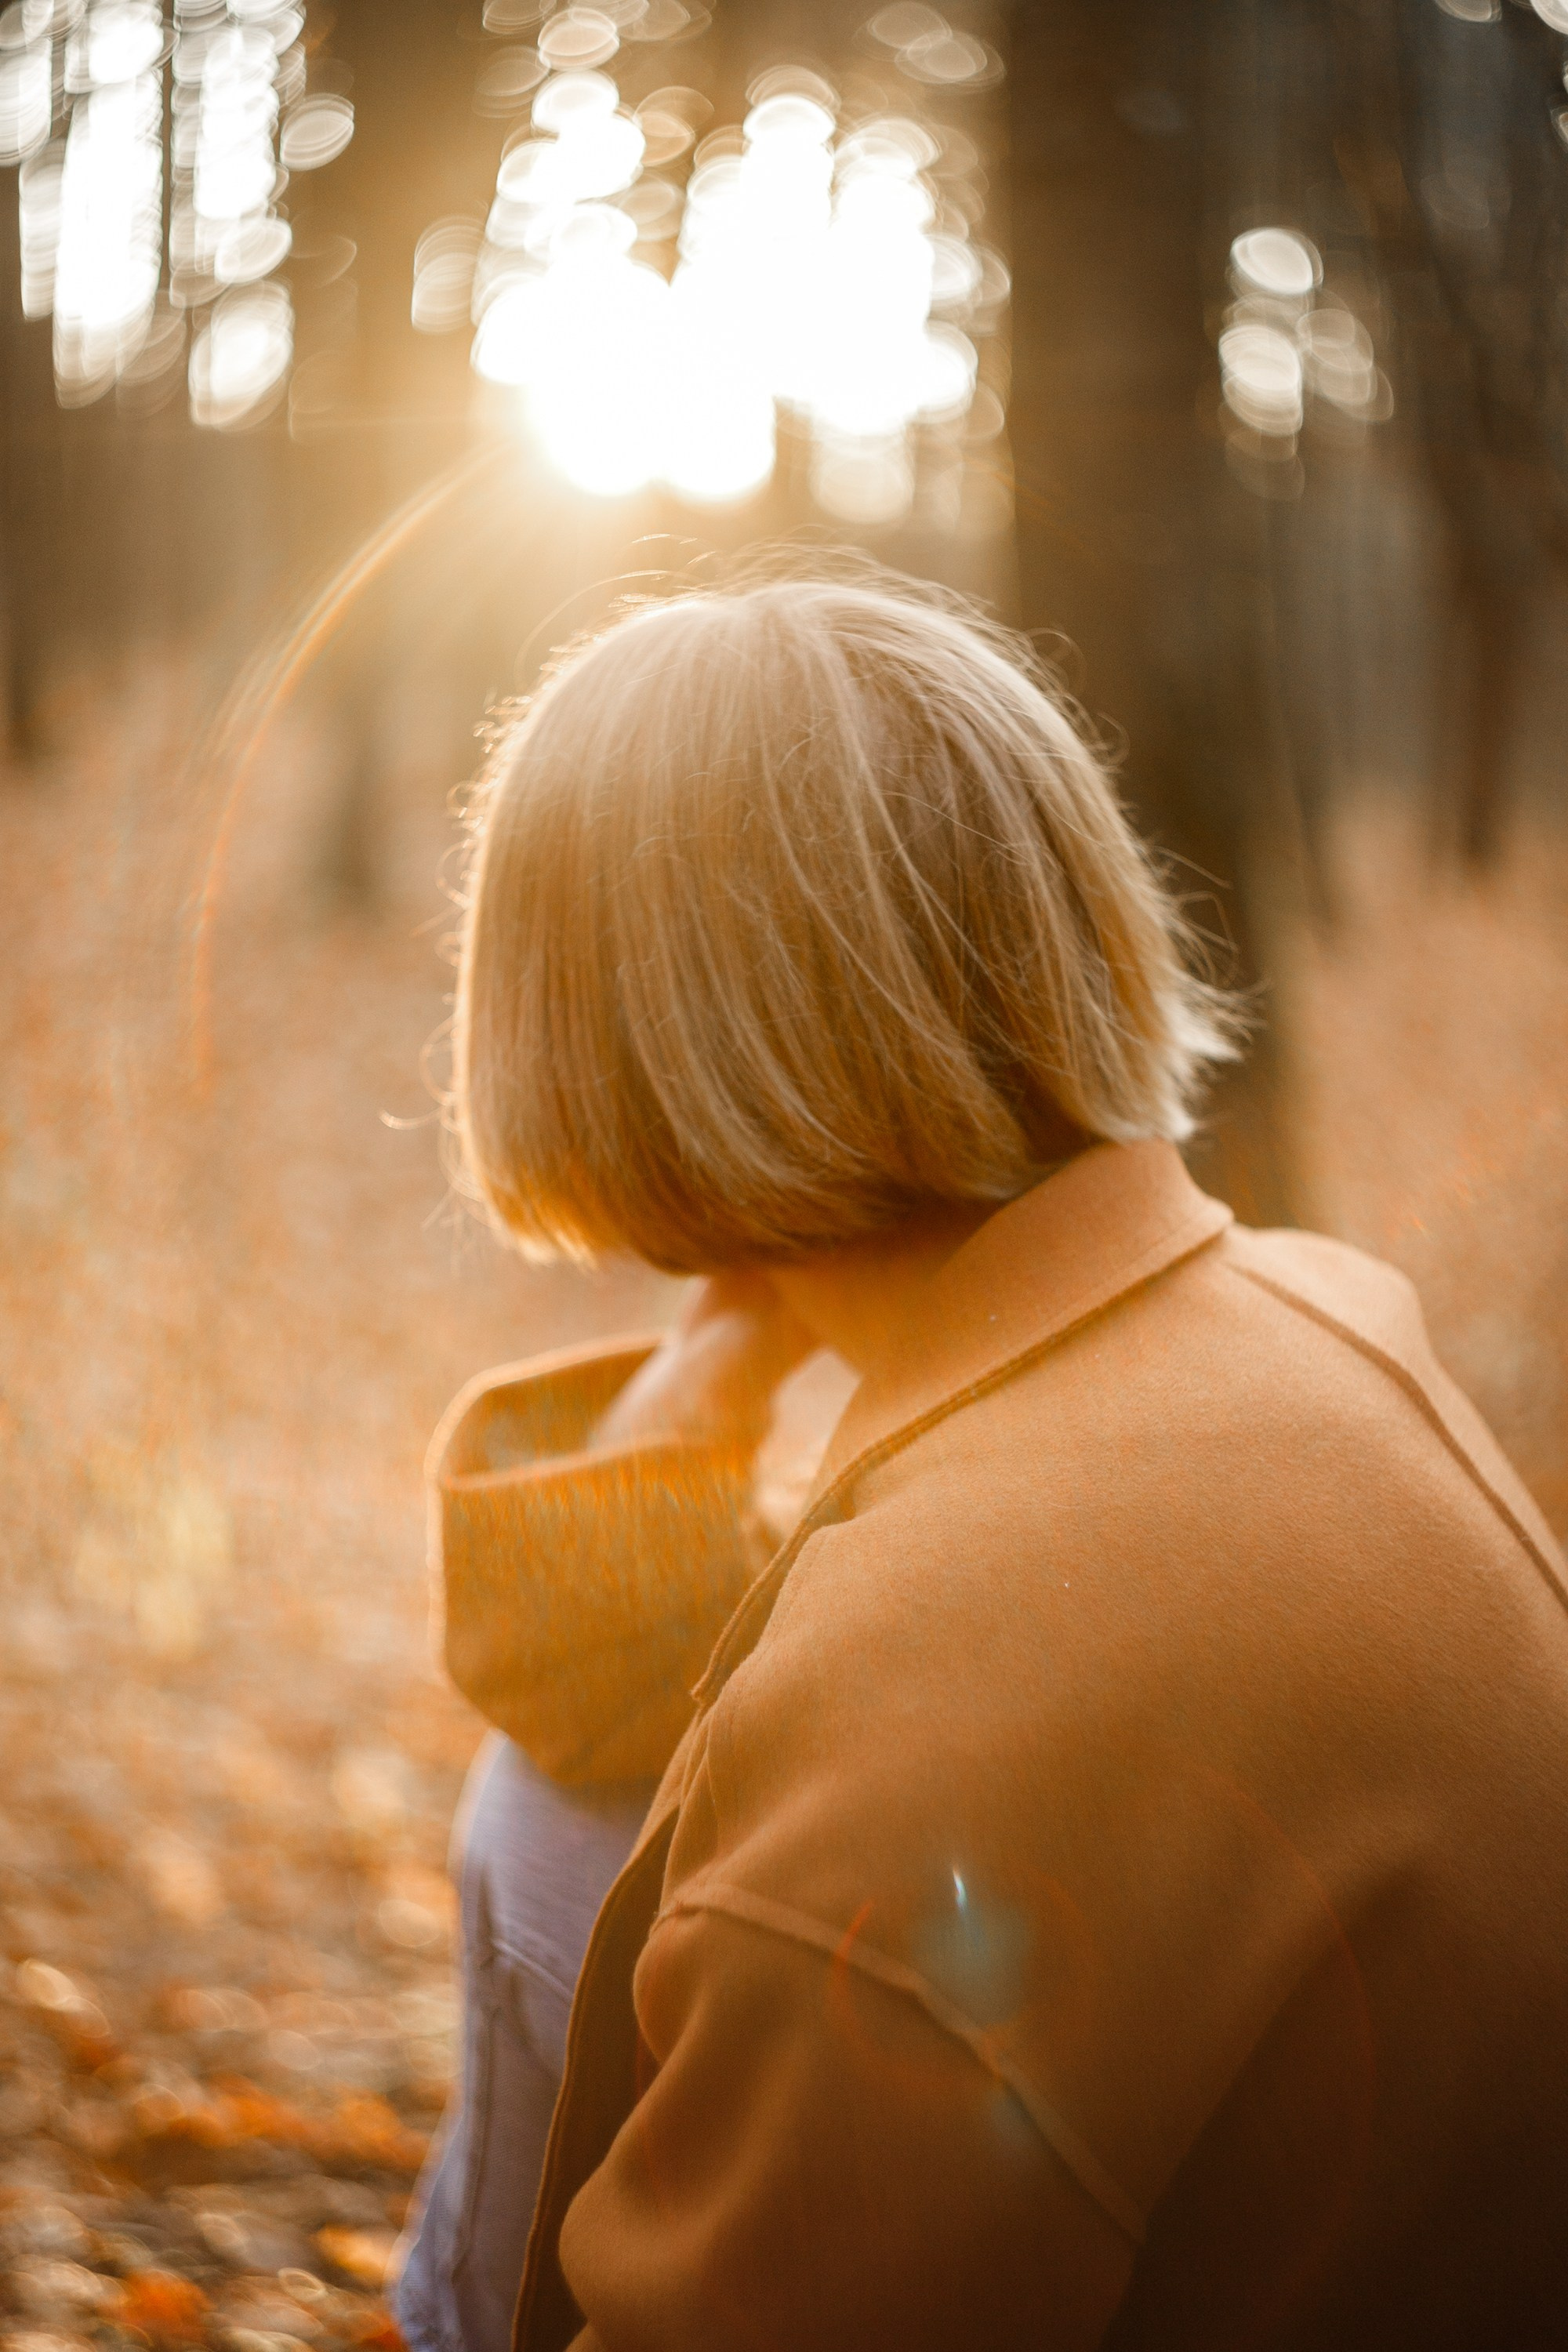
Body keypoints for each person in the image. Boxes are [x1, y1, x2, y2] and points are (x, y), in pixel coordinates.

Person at [397, 572, 1568, 2352]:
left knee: (534, 1843)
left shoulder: (949, 1663)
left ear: (592, 1030)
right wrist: (732, 1322)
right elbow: (589, 1705)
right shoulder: (1293, 1311)